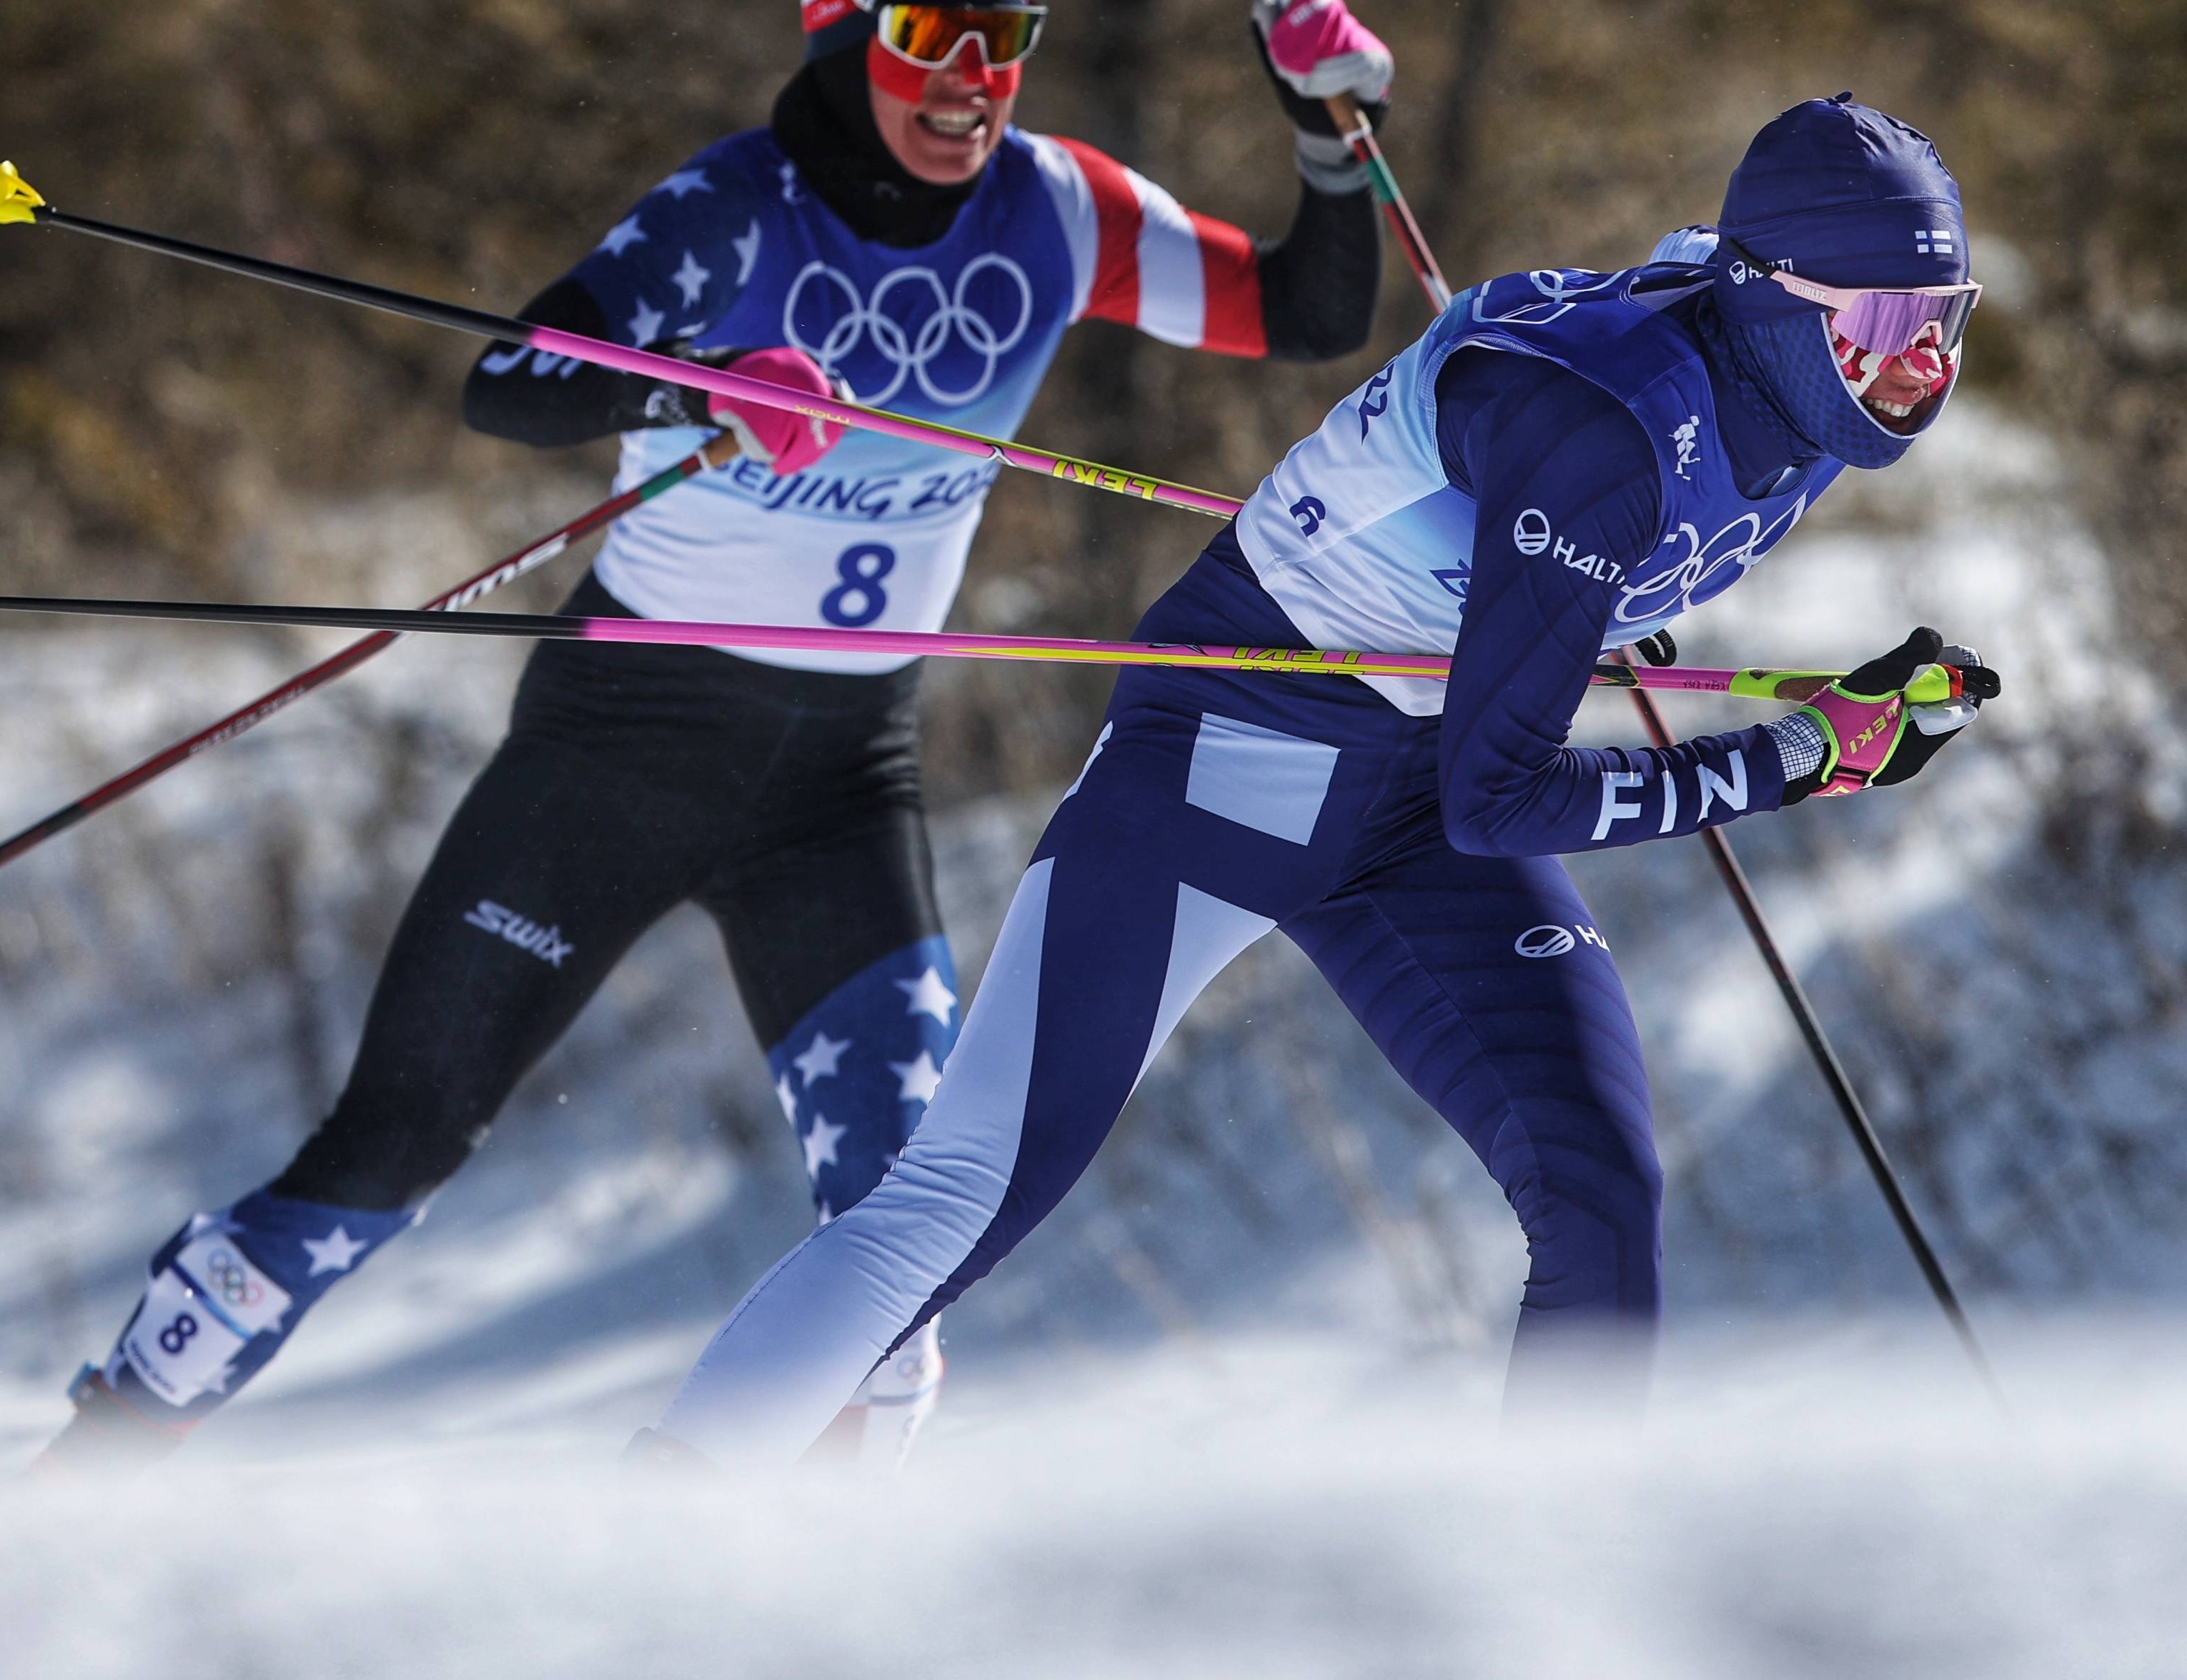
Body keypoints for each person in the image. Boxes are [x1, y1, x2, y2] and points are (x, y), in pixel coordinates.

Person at [40, 0, 1398, 1468]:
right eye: (927, 34)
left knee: (904, 1223)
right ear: (842, 31)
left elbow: (1305, 312)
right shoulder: (735, 212)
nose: (972, 76)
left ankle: (772, 1584)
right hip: (622, 747)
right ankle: (108, 1447)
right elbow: (508, 375)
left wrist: (1335, 138)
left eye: (1003, 37)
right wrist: (697, 379)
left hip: (840, 776)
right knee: (388, 1149)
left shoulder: (1058, 209)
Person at [638, 95, 1997, 1469]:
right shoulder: (1611, 433)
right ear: (1767, 298)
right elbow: (1502, 796)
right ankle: (659, 1515)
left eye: (1949, 316)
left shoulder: (1799, 377)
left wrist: (1569, 594)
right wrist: (1799, 752)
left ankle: (1565, 1590)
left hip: (1416, 784)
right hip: (1237, 754)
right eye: (1884, 327)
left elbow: (1626, 345)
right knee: (968, 1189)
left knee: (1600, 1188)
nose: (1921, 365)